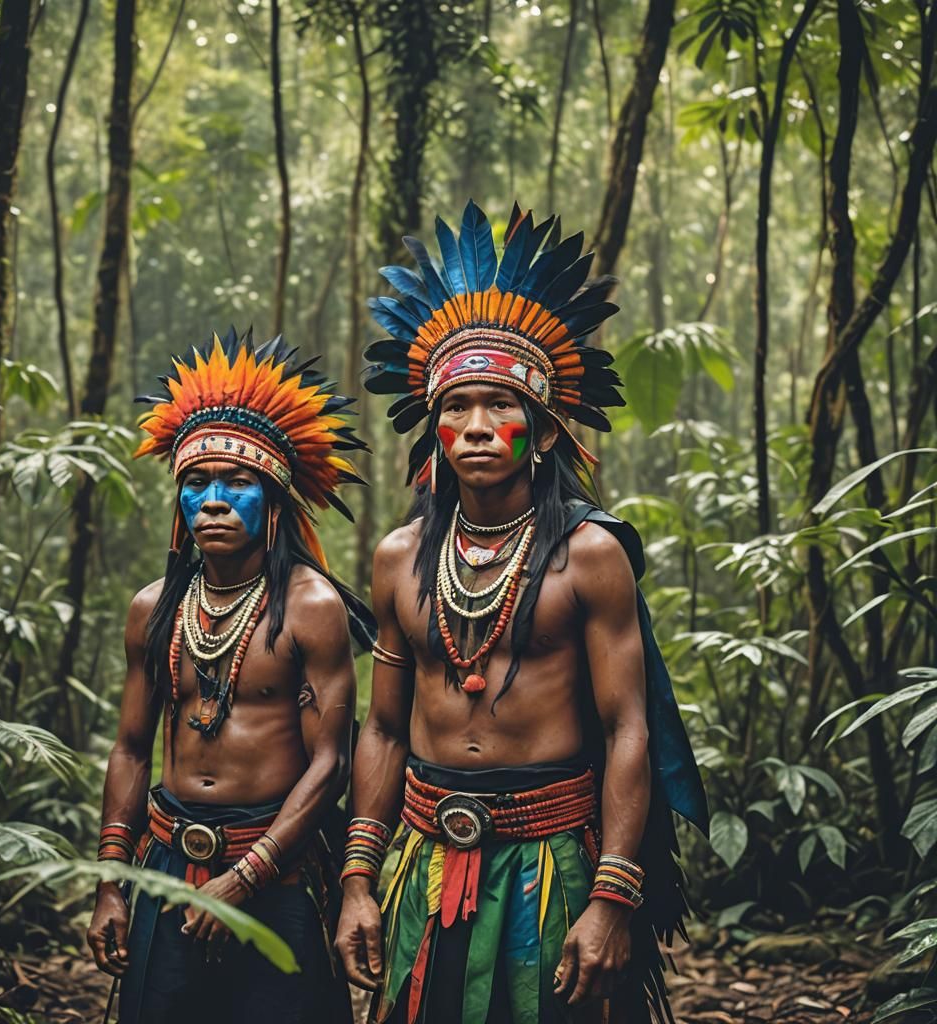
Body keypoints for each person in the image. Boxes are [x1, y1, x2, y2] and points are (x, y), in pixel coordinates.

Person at [335, 201, 709, 1024]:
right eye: (456, 406)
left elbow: (628, 729)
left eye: (500, 406)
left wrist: (610, 898)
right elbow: (385, 729)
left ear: (540, 432)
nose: (476, 427)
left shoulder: (590, 555)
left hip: (550, 864)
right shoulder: (399, 558)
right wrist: (359, 879)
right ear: (433, 429)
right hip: (425, 859)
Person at [85, 328, 373, 1023]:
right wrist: (111, 883)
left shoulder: (311, 607)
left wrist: (247, 876)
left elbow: (332, 762)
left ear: (273, 501)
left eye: (237, 483)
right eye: (196, 484)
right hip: (168, 860)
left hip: (277, 869)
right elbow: (131, 748)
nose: (213, 500)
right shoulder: (154, 610)